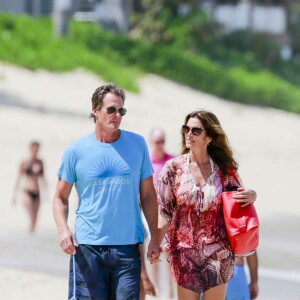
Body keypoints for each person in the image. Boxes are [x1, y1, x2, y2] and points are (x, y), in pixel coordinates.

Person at [53, 83, 160, 300]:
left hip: (127, 248)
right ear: (95, 111)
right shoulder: (76, 151)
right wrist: (64, 230)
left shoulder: (137, 144)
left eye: (121, 110)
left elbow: (148, 195)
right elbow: (59, 198)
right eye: (111, 110)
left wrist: (155, 237)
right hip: (88, 247)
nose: (117, 115)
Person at [156, 110, 257, 300]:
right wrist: (155, 242)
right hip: (184, 254)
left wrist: (253, 195)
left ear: (209, 137)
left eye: (196, 131)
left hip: (218, 254)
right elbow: (165, 211)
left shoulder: (225, 170)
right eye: (186, 129)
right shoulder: (174, 168)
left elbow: (240, 205)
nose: (189, 134)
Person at [148, 128, 175, 297]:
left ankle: (171, 292)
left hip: (169, 215)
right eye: (157, 142)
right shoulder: (147, 162)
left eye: (162, 141)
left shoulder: (171, 161)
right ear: (151, 142)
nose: (160, 145)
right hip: (151, 214)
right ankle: (156, 288)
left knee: (170, 253)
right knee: (154, 250)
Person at [12, 141, 47, 233]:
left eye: (37, 149)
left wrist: (46, 191)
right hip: (27, 192)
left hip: (37, 193)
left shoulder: (40, 162)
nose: (35, 151)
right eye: (34, 149)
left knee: (35, 219)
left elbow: (43, 178)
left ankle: (31, 237)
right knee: (31, 217)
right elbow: (18, 178)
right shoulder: (24, 162)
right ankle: (29, 236)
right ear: (30, 149)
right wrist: (14, 195)